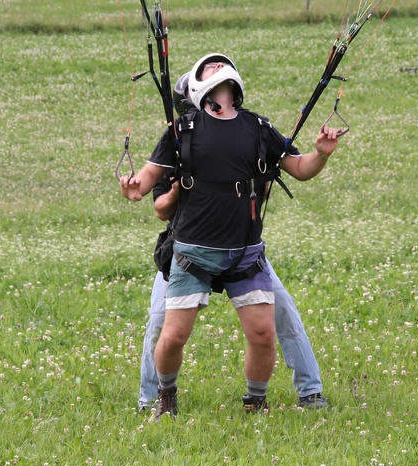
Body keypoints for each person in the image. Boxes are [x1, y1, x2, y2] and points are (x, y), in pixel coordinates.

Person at [121, 53, 341, 420]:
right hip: (192, 250)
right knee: (170, 334)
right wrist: (132, 186)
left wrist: (321, 153)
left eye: (221, 64)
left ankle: (258, 403)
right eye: (208, 67)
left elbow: (300, 169)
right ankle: (162, 398)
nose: (216, 67)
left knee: (264, 334)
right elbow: (145, 185)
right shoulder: (182, 131)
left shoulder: (258, 128)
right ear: (196, 87)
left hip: (244, 251)